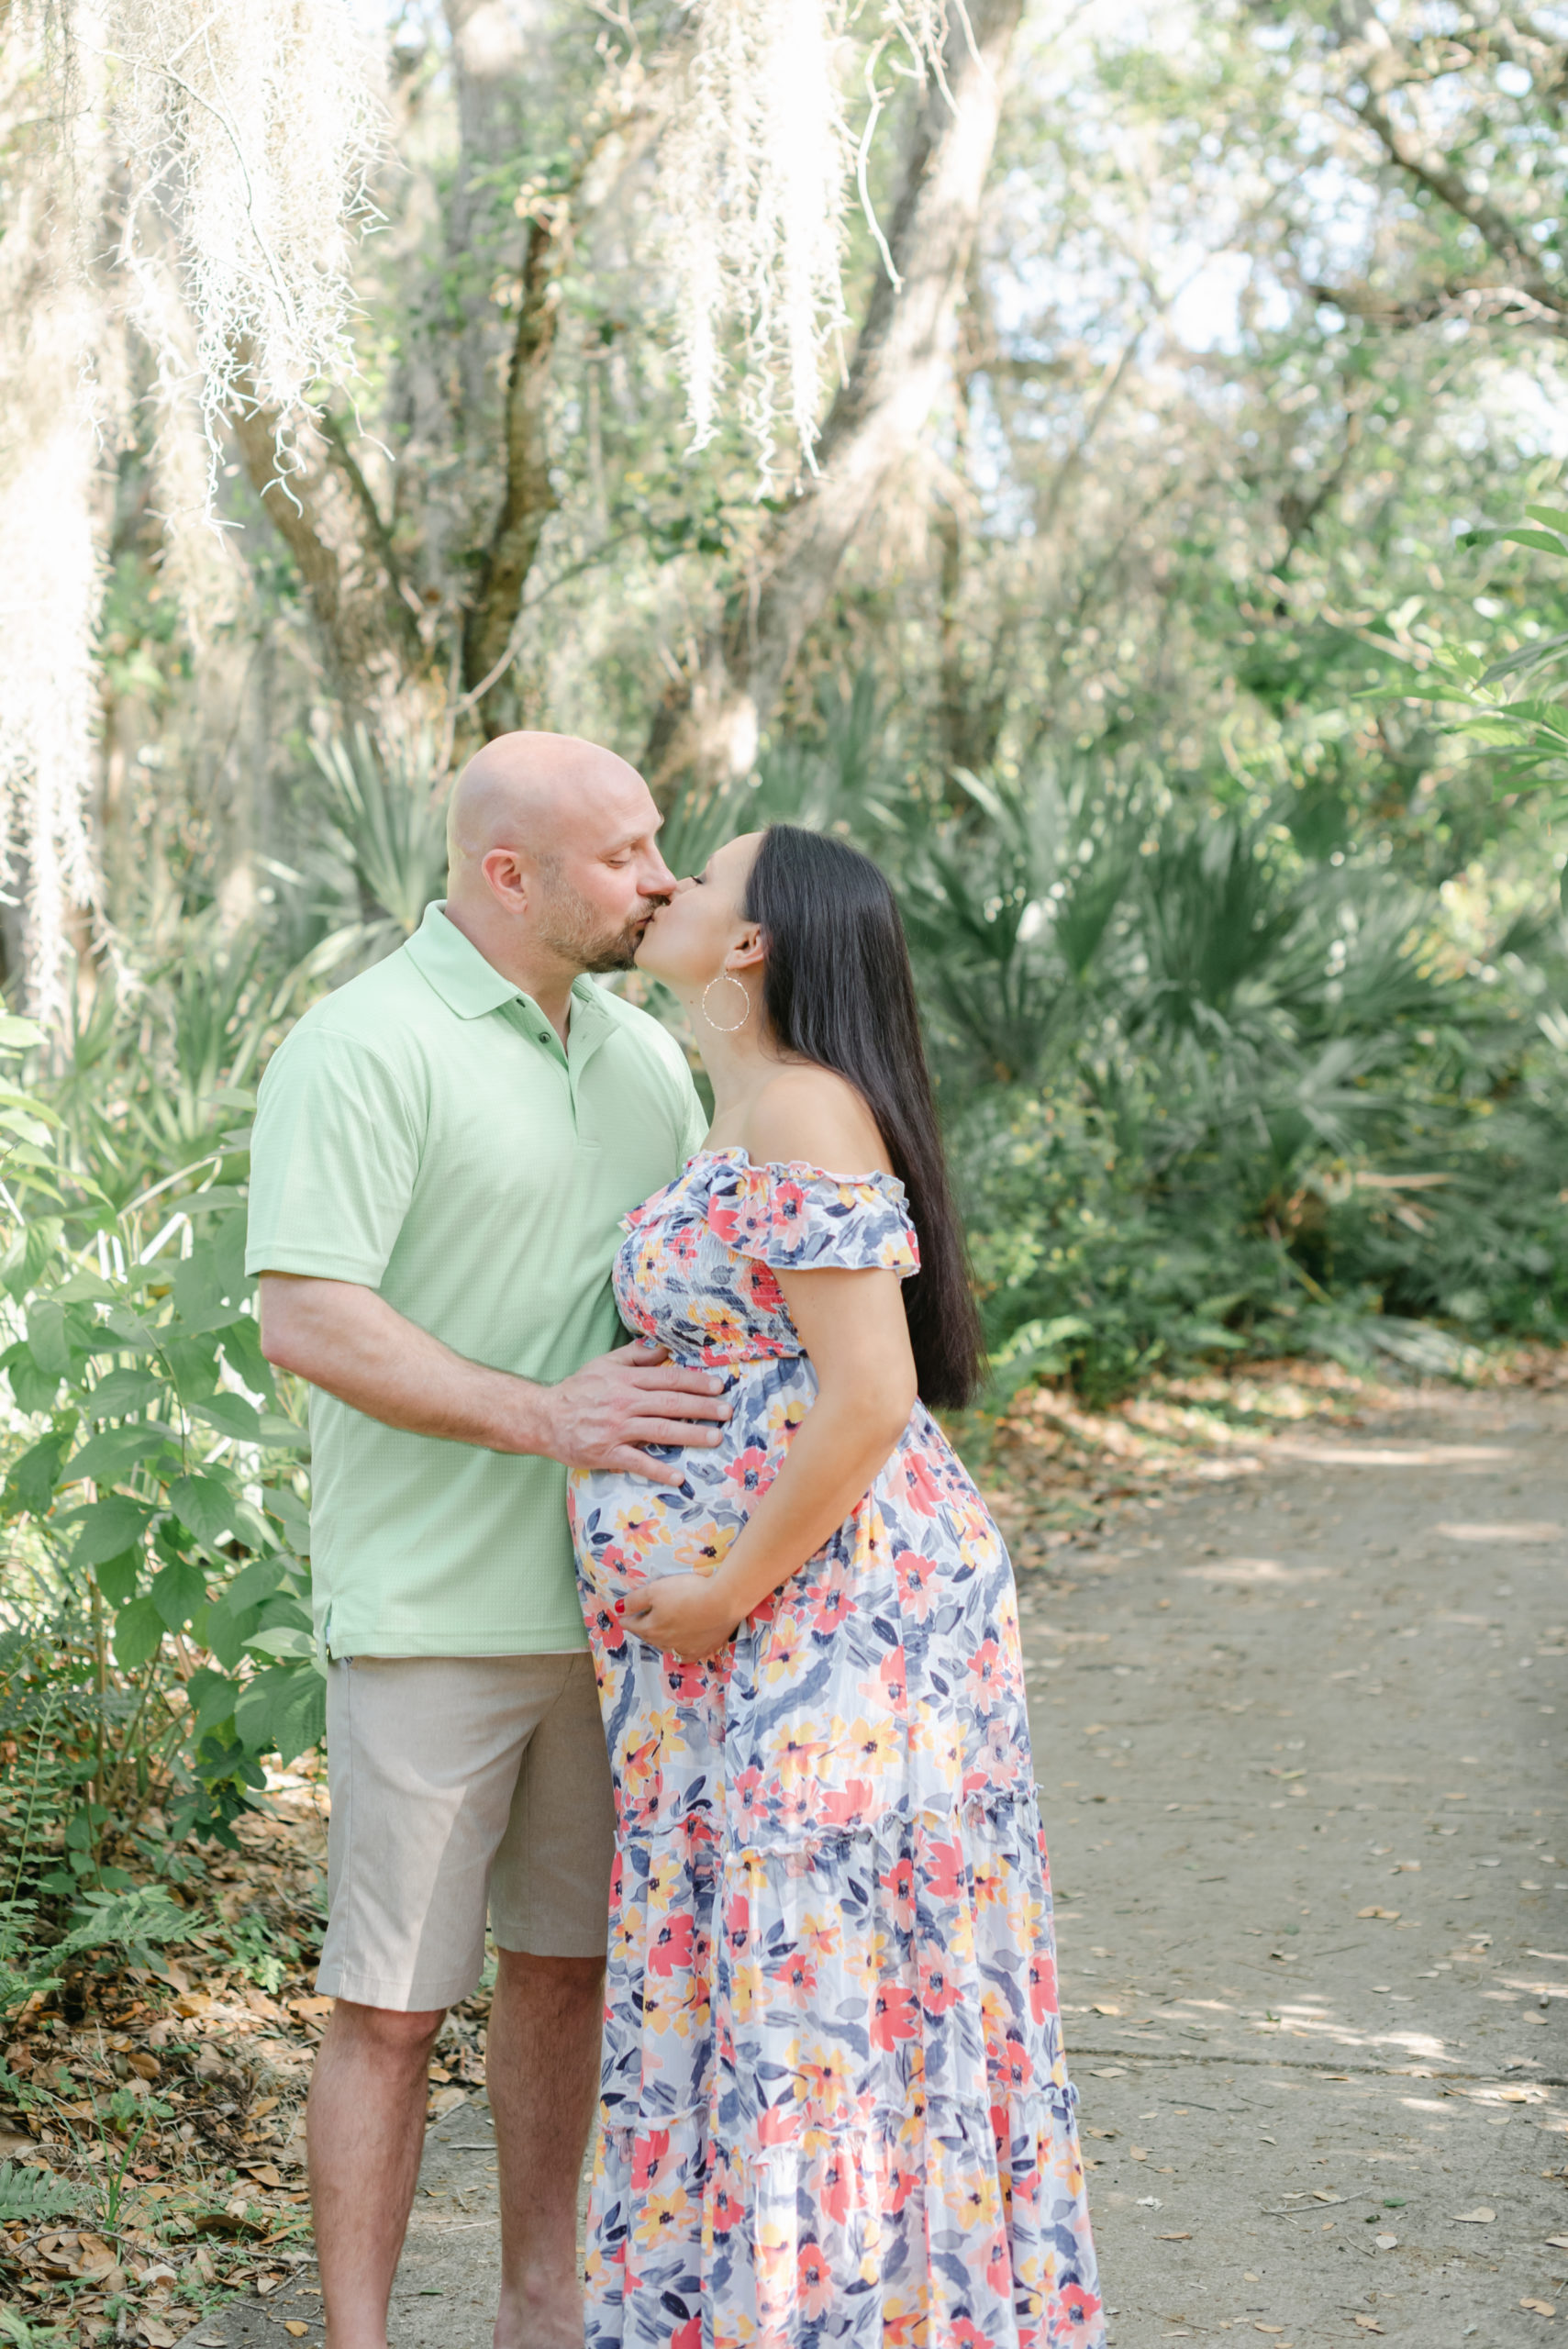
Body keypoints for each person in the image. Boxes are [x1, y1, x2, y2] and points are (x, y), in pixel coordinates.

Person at [570, 824, 1105, 2349]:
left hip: (830, 1619)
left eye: (700, 877)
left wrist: (725, 1589)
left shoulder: (801, 1106)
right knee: (779, 1968)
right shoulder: (732, 1103)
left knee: (825, 1974)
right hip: (756, 1624)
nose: (664, 886)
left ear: (753, 945)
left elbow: (867, 1395)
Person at [244, 732, 736, 2349]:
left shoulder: (643, 1057)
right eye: (625, 855)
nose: (660, 879)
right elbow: (310, 1316)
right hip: (433, 1618)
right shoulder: (364, 1045)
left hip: (624, 1624)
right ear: (505, 872)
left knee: (570, 1977)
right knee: (388, 2011)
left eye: (659, 845)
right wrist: (547, 1418)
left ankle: (541, 2312)